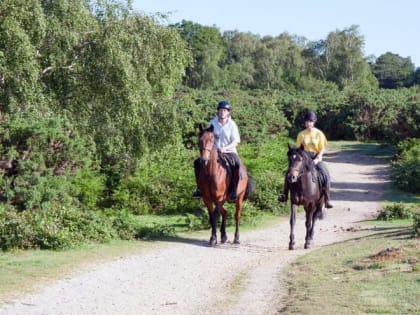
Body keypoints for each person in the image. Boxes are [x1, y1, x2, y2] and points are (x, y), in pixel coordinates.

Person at [279, 111, 333, 208]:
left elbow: (322, 148)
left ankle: (327, 198)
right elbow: (298, 149)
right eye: (307, 121)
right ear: (305, 123)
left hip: (315, 157)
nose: (309, 123)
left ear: (314, 122)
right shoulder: (301, 134)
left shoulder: (319, 134)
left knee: (325, 173)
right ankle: (285, 195)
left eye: (311, 121)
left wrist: (318, 158)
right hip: (303, 158)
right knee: (289, 172)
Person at [192, 100, 242, 201]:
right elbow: (207, 137)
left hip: (229, 151)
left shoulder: (232, 125)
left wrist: (225, 148)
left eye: (224, 110)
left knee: (237, 164)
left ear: (228, 112)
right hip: (214, 152)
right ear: (218, 111)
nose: (222, 112)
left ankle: (234, 191)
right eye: (220, 110)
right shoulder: (212, 123)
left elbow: (236, 141)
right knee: (197, 162)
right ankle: (199, 189)